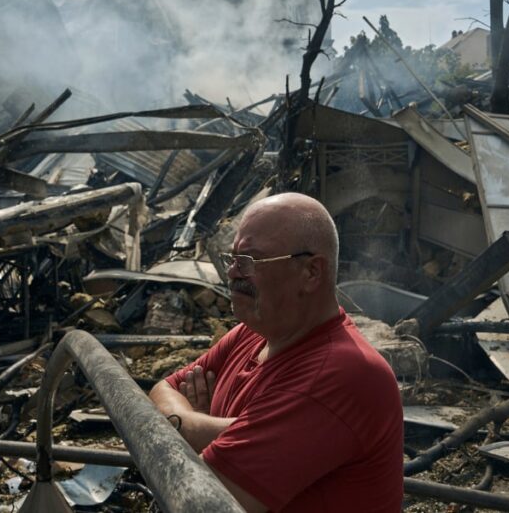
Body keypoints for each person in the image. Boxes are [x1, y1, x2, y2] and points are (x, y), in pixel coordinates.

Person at [149, 192, 403, 512]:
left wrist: (186, 428)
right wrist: (214, 427)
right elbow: (162, 390)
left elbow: (200, 500)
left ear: (311, 272)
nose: (233, 272)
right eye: (233, 259)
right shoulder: (252, 334)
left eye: (250, 260)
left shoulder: (343, 373)